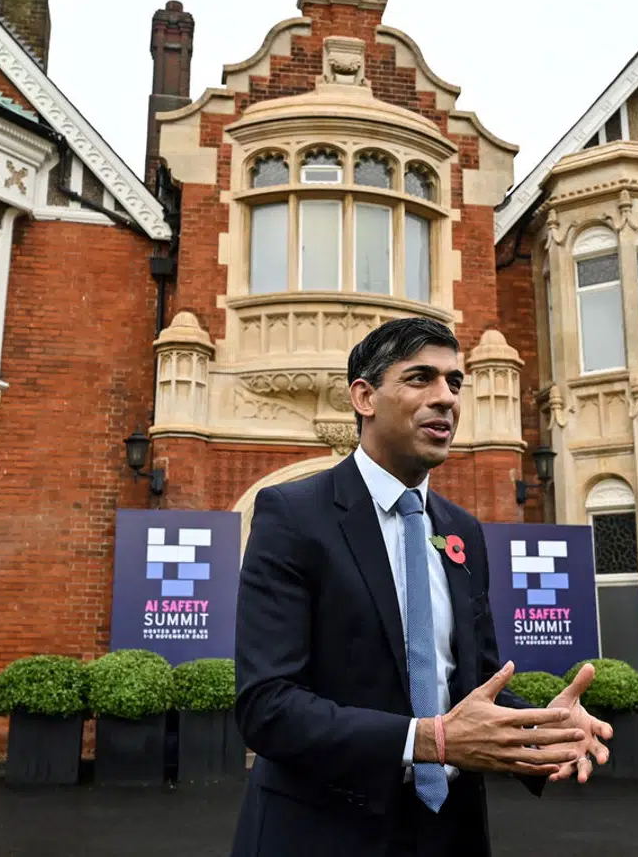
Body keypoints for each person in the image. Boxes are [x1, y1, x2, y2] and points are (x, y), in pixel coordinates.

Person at [231, 316, 612, 857]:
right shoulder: (293, 517)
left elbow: (473, 683)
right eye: (420, 379)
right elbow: (267, 707)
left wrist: (541, 728)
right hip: (322, 832)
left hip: (448, 834)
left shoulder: (462, 531)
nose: (446, 399)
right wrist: (430, 740)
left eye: (454, 383)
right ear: (364, 396)